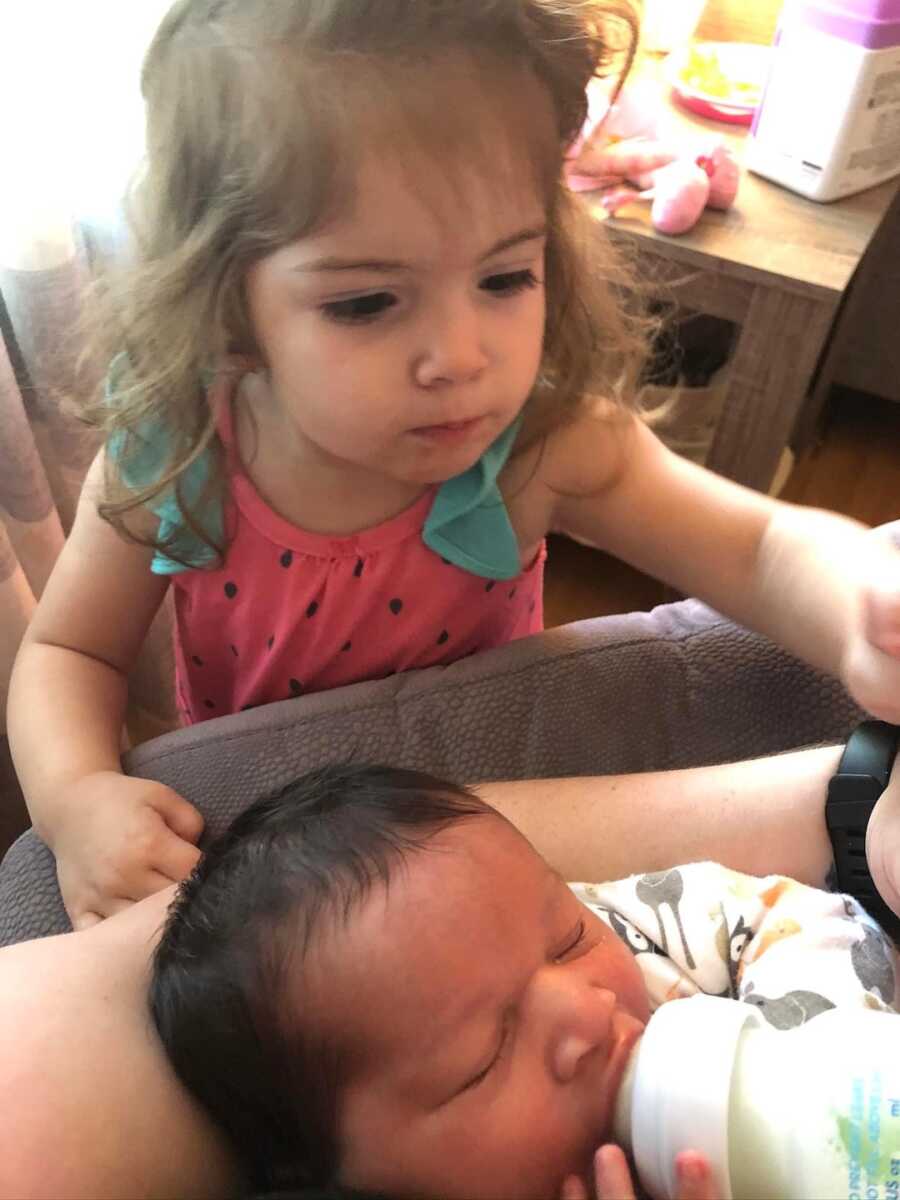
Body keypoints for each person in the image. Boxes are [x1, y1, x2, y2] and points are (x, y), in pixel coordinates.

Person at [8, 0, 900, 934]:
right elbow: (71, 651)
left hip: (503, 810)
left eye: (505, 277)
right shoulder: (181, 446)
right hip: (271, 826)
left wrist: (853, 601)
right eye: (367, 302)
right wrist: (74, 798)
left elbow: (755, 549)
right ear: (225, 303)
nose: (461, 356)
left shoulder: (542, 443)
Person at [147, 763, 898, 1200]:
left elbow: (787, 914)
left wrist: (799, 1057)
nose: (588, 1010)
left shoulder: (628, 929)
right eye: (484, 1056)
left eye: (568, 941)